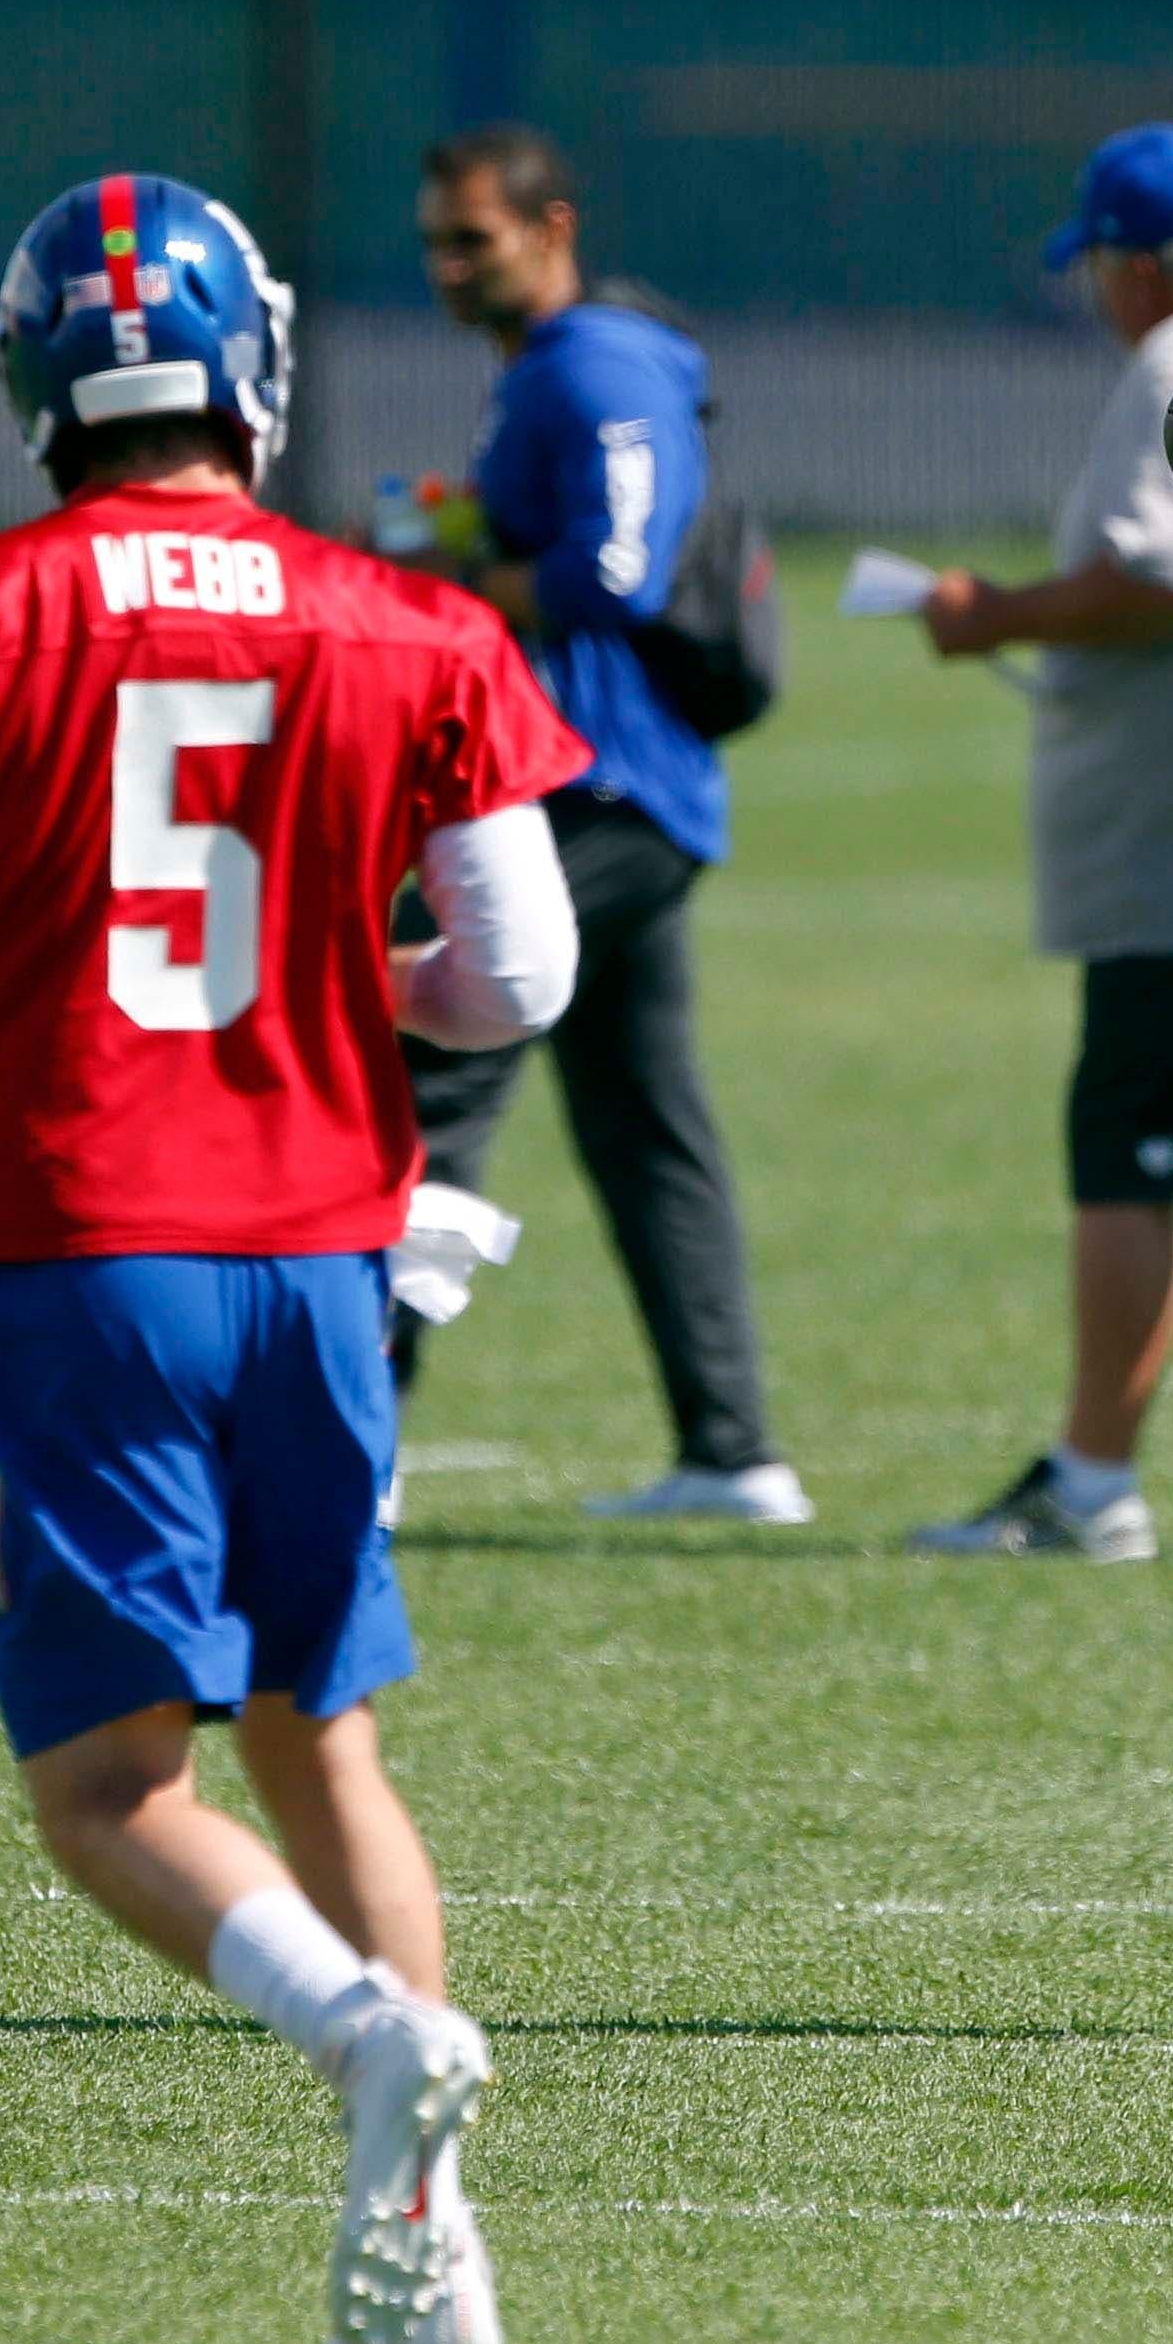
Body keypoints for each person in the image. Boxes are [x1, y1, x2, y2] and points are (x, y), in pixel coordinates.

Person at [0, 172, 591, 2344]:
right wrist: (335, 979)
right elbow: (520, 968)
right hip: (321, 1247)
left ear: (37, 376)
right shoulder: (411, 624)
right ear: (255, 370)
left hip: (76, 1240)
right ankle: (438, 2244)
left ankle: (358, 2039)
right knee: (332, 1740)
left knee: (112, 1788)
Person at [904, 124, 1173, 1565]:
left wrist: (995, 615)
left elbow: (1167, 579)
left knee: (1126, 1150)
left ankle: (1094, 1476)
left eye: (1097, 266)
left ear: (1141, 260)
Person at [402, 123, 809, 1526]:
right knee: (645, 1121)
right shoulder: (542, 368)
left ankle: (347, 1446)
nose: (450, 267)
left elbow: (618, 573)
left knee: (423, 1070)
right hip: (608, 793)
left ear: (551, 224)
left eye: (476, 240)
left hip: (594, 794)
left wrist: (453, 576)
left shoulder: (598, 363)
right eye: (437, 244)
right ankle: (734, 1451)